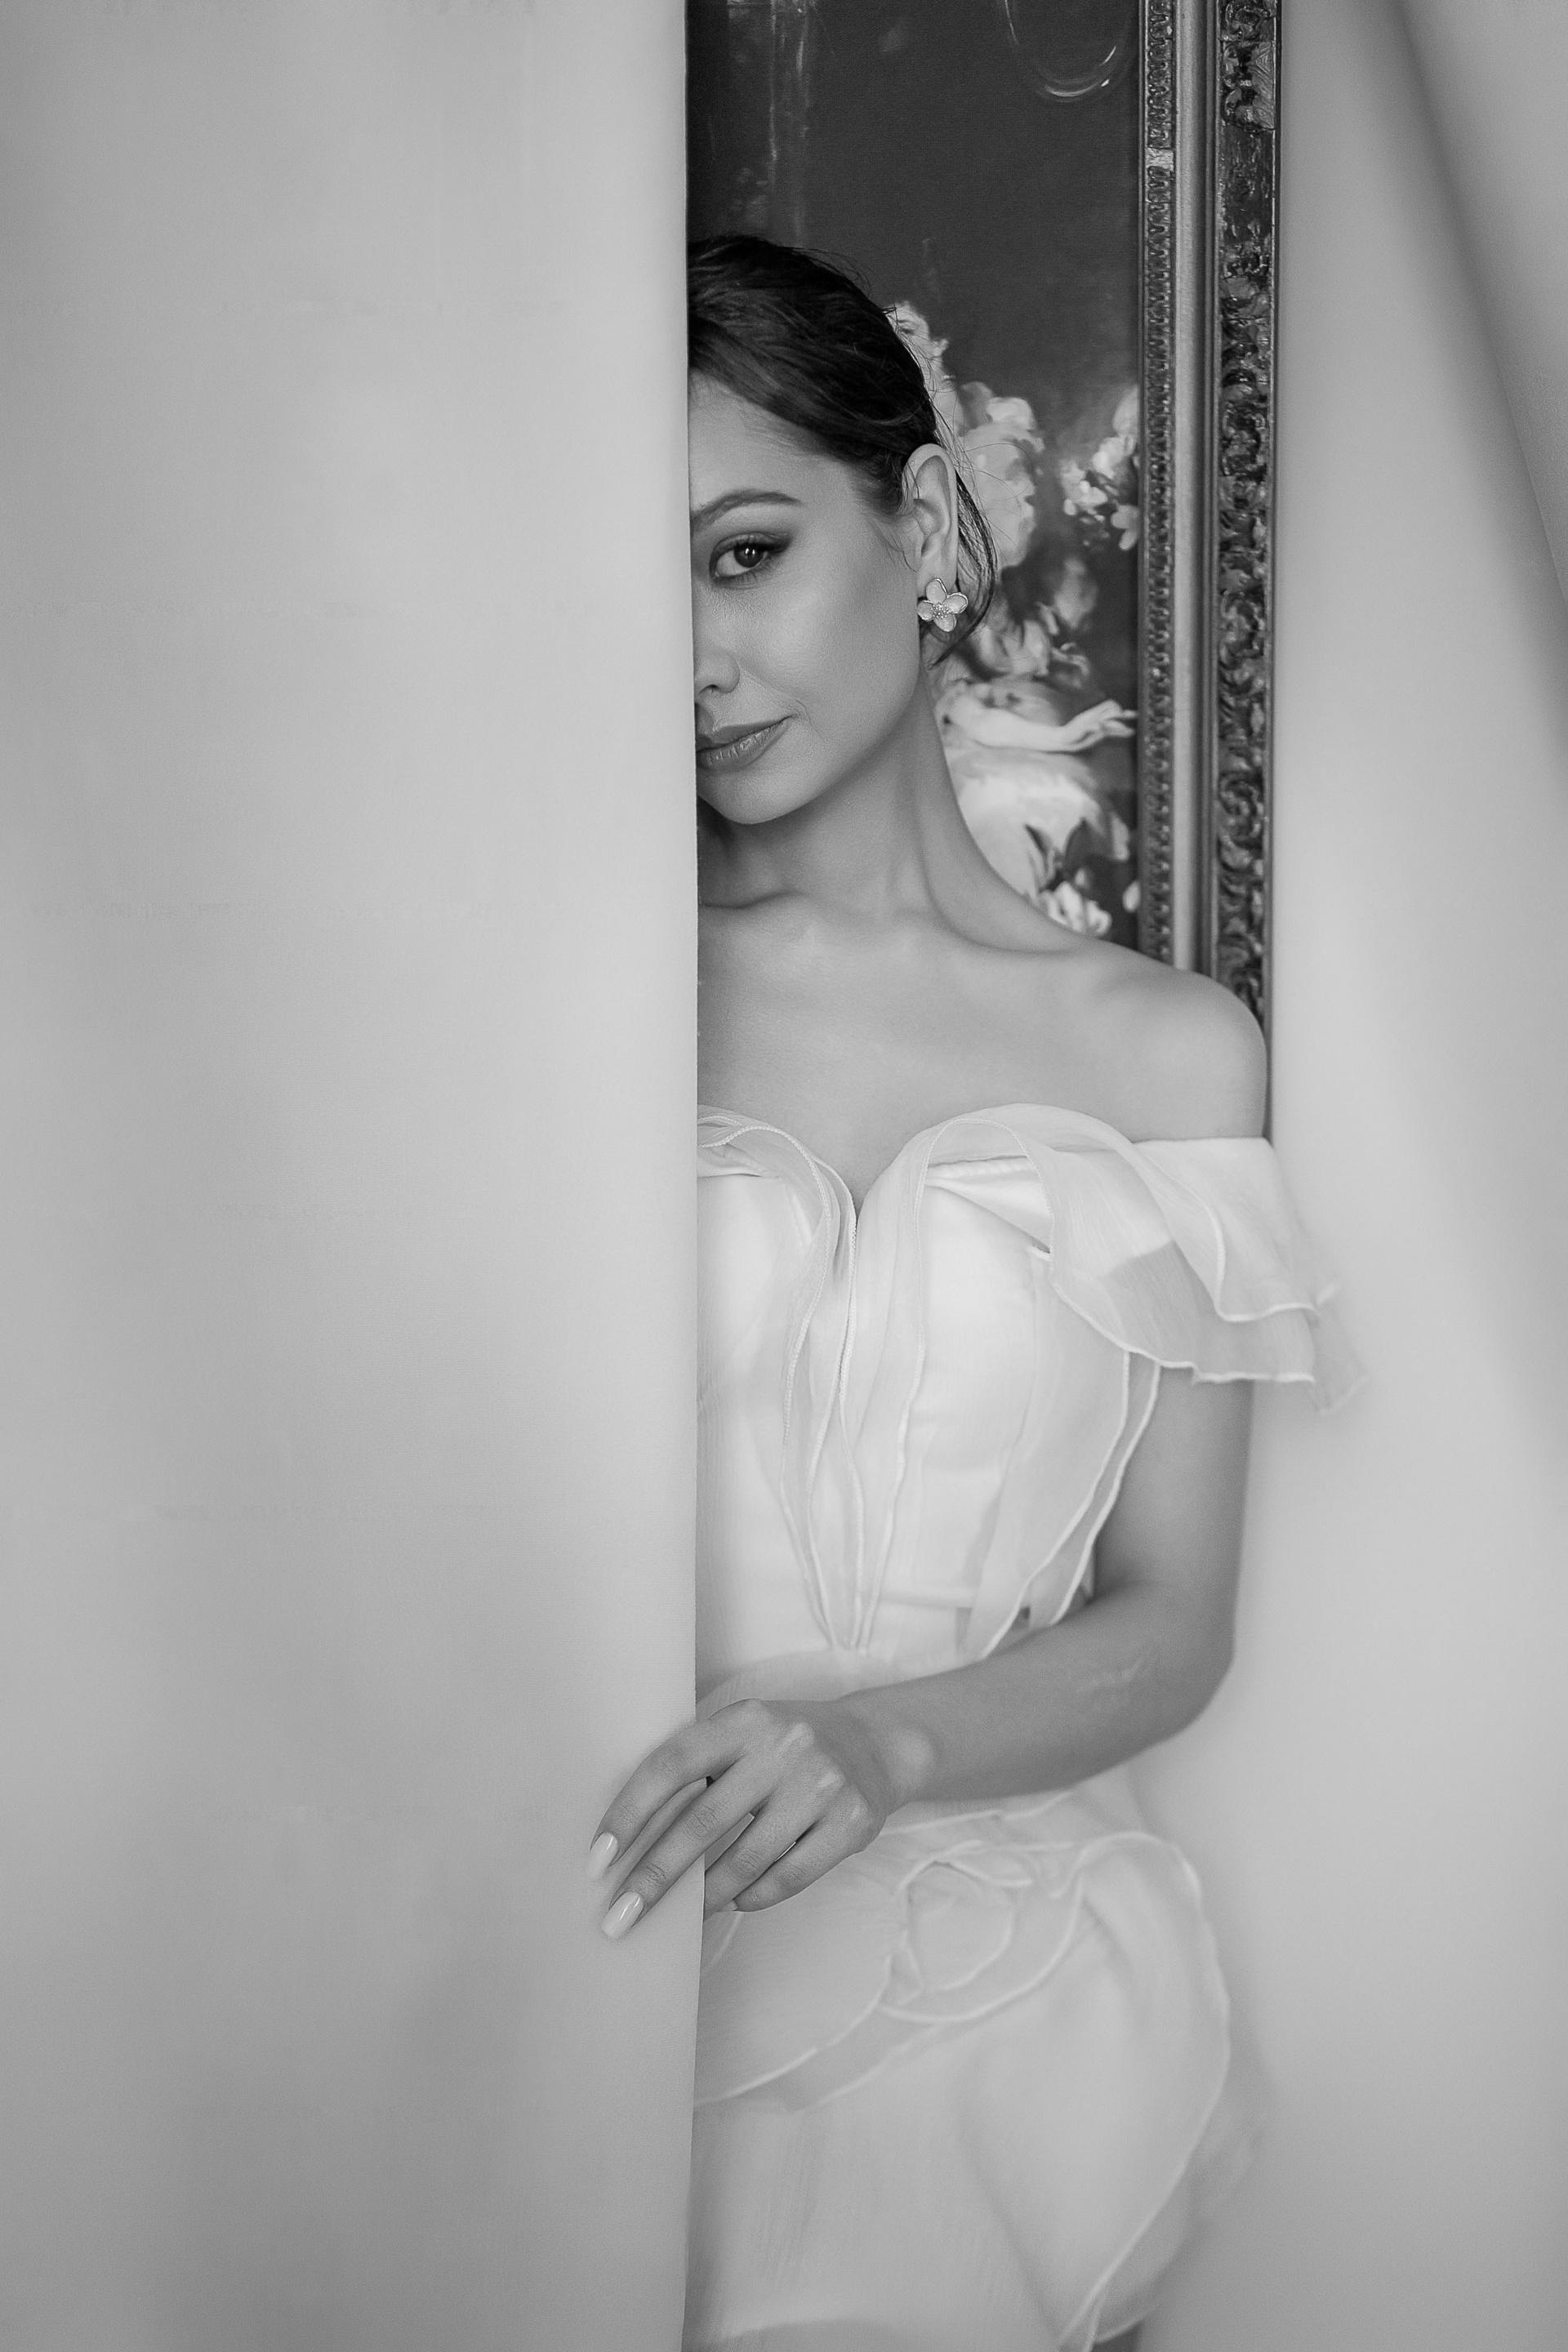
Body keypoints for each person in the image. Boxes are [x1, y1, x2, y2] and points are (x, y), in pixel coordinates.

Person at [589, 236, 1360, 2352]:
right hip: (588, 1938)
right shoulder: (578, 1007)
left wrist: (884, 1740)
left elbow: (1174, 1620)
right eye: (635, 588)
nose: (695, 658)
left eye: (743, 554)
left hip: (986, 1990)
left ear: (923, 528)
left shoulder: (1168, 1056)